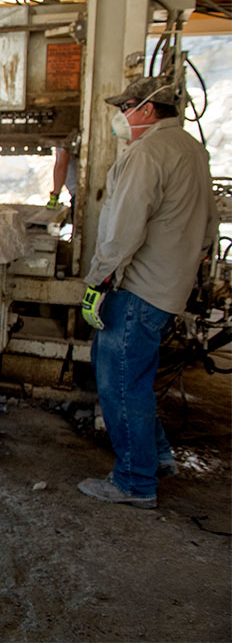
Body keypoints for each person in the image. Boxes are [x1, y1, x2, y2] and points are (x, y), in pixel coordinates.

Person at [77, 76, 218, 509]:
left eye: (126, 108)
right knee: (135, 379)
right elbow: (211, 225)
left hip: (138, 288)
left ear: (147, 110)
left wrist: (98, 279)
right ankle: (156, 458)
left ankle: (135, 482)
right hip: (168, 287)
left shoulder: (148, 152)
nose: (122, 117)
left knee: (120, 385)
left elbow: (123, 230)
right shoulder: (193, 149)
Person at [47, 146, 78, 211]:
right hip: (75, 193)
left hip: (77, 194)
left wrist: (55, 195)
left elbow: (62, 165)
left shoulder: (66, 143)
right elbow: (58, 164)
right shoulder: (60, 144)